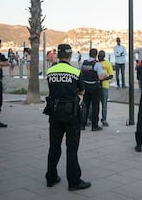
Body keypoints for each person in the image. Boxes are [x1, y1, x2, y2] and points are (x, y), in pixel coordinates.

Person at [44, 43, 91, 191]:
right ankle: (74, 181)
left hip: (54, 112)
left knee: (54, 146)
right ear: (70, 55)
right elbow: (82, 92)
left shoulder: (50, 71)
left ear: (58, 55)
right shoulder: (75, 72)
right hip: (71, 114)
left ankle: (51, 178)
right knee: (72, 148)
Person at [80, 48, 106, 131]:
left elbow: (80, 73)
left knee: (85, 106)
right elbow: (100, 77)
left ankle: (82, 124)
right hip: (94, 87)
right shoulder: (96, 64)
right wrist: (105, 75)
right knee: (95, 106)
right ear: (96, 55)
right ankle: (94, 125)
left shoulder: (84, 63)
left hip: (85, 86)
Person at [98, 50, 114, 127]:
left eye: (100, 56)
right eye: (98, 56)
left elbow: (111, 75)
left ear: (103, 56)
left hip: (104, 86)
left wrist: (104, 78)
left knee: (104, 104)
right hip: (97, 86)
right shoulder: (96, 63)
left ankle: (104, 119)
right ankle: (93, 118)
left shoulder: (107, 64)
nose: (99, 57)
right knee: (95, 104)